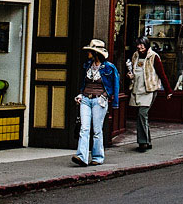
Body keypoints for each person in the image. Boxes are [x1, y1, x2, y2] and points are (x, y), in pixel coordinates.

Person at [72, 38, 119, 167]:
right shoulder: (87, 65)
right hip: (86, 99)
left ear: (96, 53)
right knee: (84, 128)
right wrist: (81, 94)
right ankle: (82, 156)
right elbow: (84, 82)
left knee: (97, 130)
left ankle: (97, 157)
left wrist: (109, 97)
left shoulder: (109, 67)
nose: (88, 53)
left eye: (91, 51)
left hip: (99, 100)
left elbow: (115, 84)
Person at [126, 37, 170, 151]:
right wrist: (130, 76)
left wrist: (168, 91)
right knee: (142, 117)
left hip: (149, 90)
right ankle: (148, 141)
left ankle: (143, 142)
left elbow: (162, 74)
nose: (139, 47)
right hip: (137, 89)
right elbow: (133, 71)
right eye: (138, 44)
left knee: (142, 114)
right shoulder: (135, 56)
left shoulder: (154, 57)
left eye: (142, 44)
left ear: (146, 45)